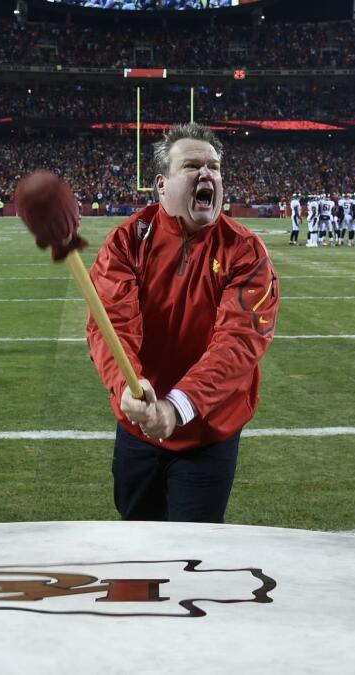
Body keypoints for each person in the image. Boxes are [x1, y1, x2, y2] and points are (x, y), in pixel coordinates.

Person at [87, 122, 279, 524]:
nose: (207, 174)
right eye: (192, 166)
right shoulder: (126, 242)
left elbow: (239, 341)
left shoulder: (245, 252)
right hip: (139, 426)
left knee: (193, 558)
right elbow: (112, 326)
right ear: (161, 184)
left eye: (214, 167)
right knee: (136, 547)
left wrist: (178, 407)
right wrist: (128, 389)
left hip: (208, 432)